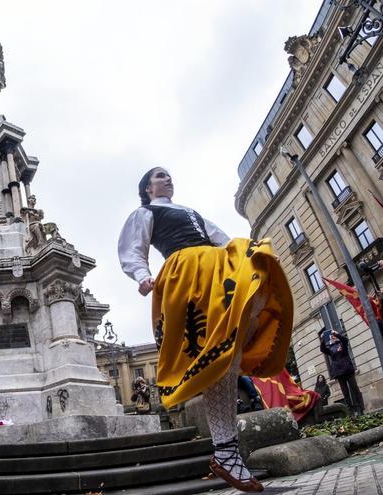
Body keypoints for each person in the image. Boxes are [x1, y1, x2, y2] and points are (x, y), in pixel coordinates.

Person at [118, 167, 293, 493]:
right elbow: (133, 248)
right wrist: (141, 274)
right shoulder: (145, 212)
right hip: (187, 274)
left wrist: (246, 260)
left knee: (229, 351)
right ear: (147, 188)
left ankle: (226, 451)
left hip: (217, 272)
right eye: (159, 176)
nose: (167, 179)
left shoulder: (191, 212)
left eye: (169, 175)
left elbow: (223, 239)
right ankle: (226, 450)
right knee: (216, 358)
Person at [318, 327, 363, 415]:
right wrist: (323, 338)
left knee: (355, 389)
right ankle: (350, 411)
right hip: (339, 373)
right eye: (331, 336)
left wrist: (336, 334)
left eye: (333, 336)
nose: (332, 337)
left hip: (348, 370)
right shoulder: (330, 348)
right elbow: (322, 349)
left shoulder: (342, 344)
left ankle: (360, 408)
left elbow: (345, 339)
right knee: (345, 393)